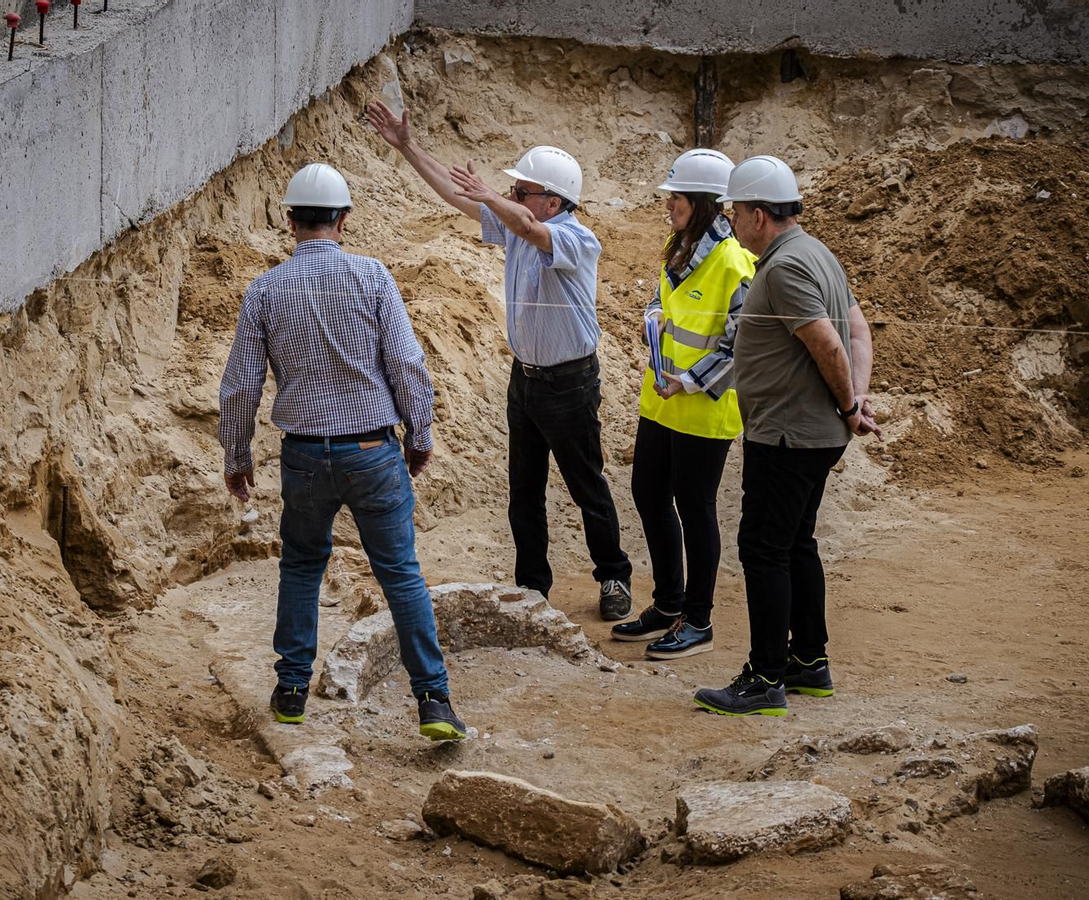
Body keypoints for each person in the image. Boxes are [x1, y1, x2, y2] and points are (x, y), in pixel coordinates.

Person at [217, 163, 469, 742]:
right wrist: (420, 435)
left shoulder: (266, 289)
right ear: (344, 219)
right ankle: (434, 702)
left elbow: (239, 385)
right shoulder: (373, 278)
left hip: (304, 457)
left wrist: (237, 458)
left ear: (289, 221)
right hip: (372, 449)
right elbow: (407, 365)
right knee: (401, 574)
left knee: (302, 565)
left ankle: (291, 692)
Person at [364, 101, 636, 621]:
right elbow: (456, 193)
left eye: (522, 192)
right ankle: (533, 587)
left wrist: (492, 195)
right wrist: (405, 146)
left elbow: (533, 232)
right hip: (526, 380)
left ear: (552, 202)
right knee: (524, 492)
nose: (512, 197)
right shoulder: (519, 220)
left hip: (569, 382)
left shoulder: (577, 237)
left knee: (588, 485)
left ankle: (614, 575)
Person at [692, 155, 882, 717]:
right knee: (796, 542)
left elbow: (828, 341)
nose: (730, 222)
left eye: (733, 212)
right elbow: (858, 328)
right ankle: (808, 661)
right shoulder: (815, 252)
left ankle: (766, 675)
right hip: (803, 430)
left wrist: (851, 404)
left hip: (787, 435)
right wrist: (856, 398)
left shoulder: (783, 267)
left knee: (764, 549)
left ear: (757, 214)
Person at [612, 149, 755, 661]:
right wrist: (652, 318)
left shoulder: (735, 263)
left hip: (702, 408)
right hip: (662, 401)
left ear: (702, 202)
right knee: (648, 493)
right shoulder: (677, 250)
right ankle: (669, 604)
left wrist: (690, 382)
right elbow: (662, 303)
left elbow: (739, 347)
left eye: (675, 195)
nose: (668, 203)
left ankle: (699, 620)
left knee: (696, 509)